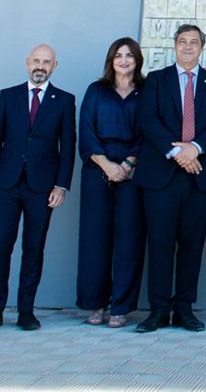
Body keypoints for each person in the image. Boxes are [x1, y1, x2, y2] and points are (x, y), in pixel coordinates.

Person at [134, 24, 206, 333]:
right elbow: (148, 120)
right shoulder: (156, 80)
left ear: (202, 47)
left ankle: (184, 308)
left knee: (192, 244)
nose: (188, 46)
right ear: (175, 46)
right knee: (160, 244)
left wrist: (195, 149)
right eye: (183, 41)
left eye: (194, 42)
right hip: (161, 174)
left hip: (199, 176)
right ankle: (159, 310)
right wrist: (178, 154)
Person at [0, 44, 76, 331]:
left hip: (42, 188)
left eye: (46, 62)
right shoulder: (8, 96)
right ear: (26, 63)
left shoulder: (64, 100)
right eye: (36, 60)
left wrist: (61, 185)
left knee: (34, 250)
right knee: (0, 248)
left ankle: (26, 312)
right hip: (6, 185)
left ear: (55, 66)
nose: (40, 66)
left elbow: (68, 147)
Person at [76, 38, 147, 329]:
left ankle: (121, 306)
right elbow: (86, 129)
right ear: (111, 60)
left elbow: (149, 132)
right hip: (98, 168)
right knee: (95, 240)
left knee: (129, 239)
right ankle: (96, 304)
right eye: (118, 55)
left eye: (129, 55)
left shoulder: (146, 92)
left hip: (133, 171)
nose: (124, 60)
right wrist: (106, 165)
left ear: (137, 60)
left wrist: (128, 164)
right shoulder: (97, 90)